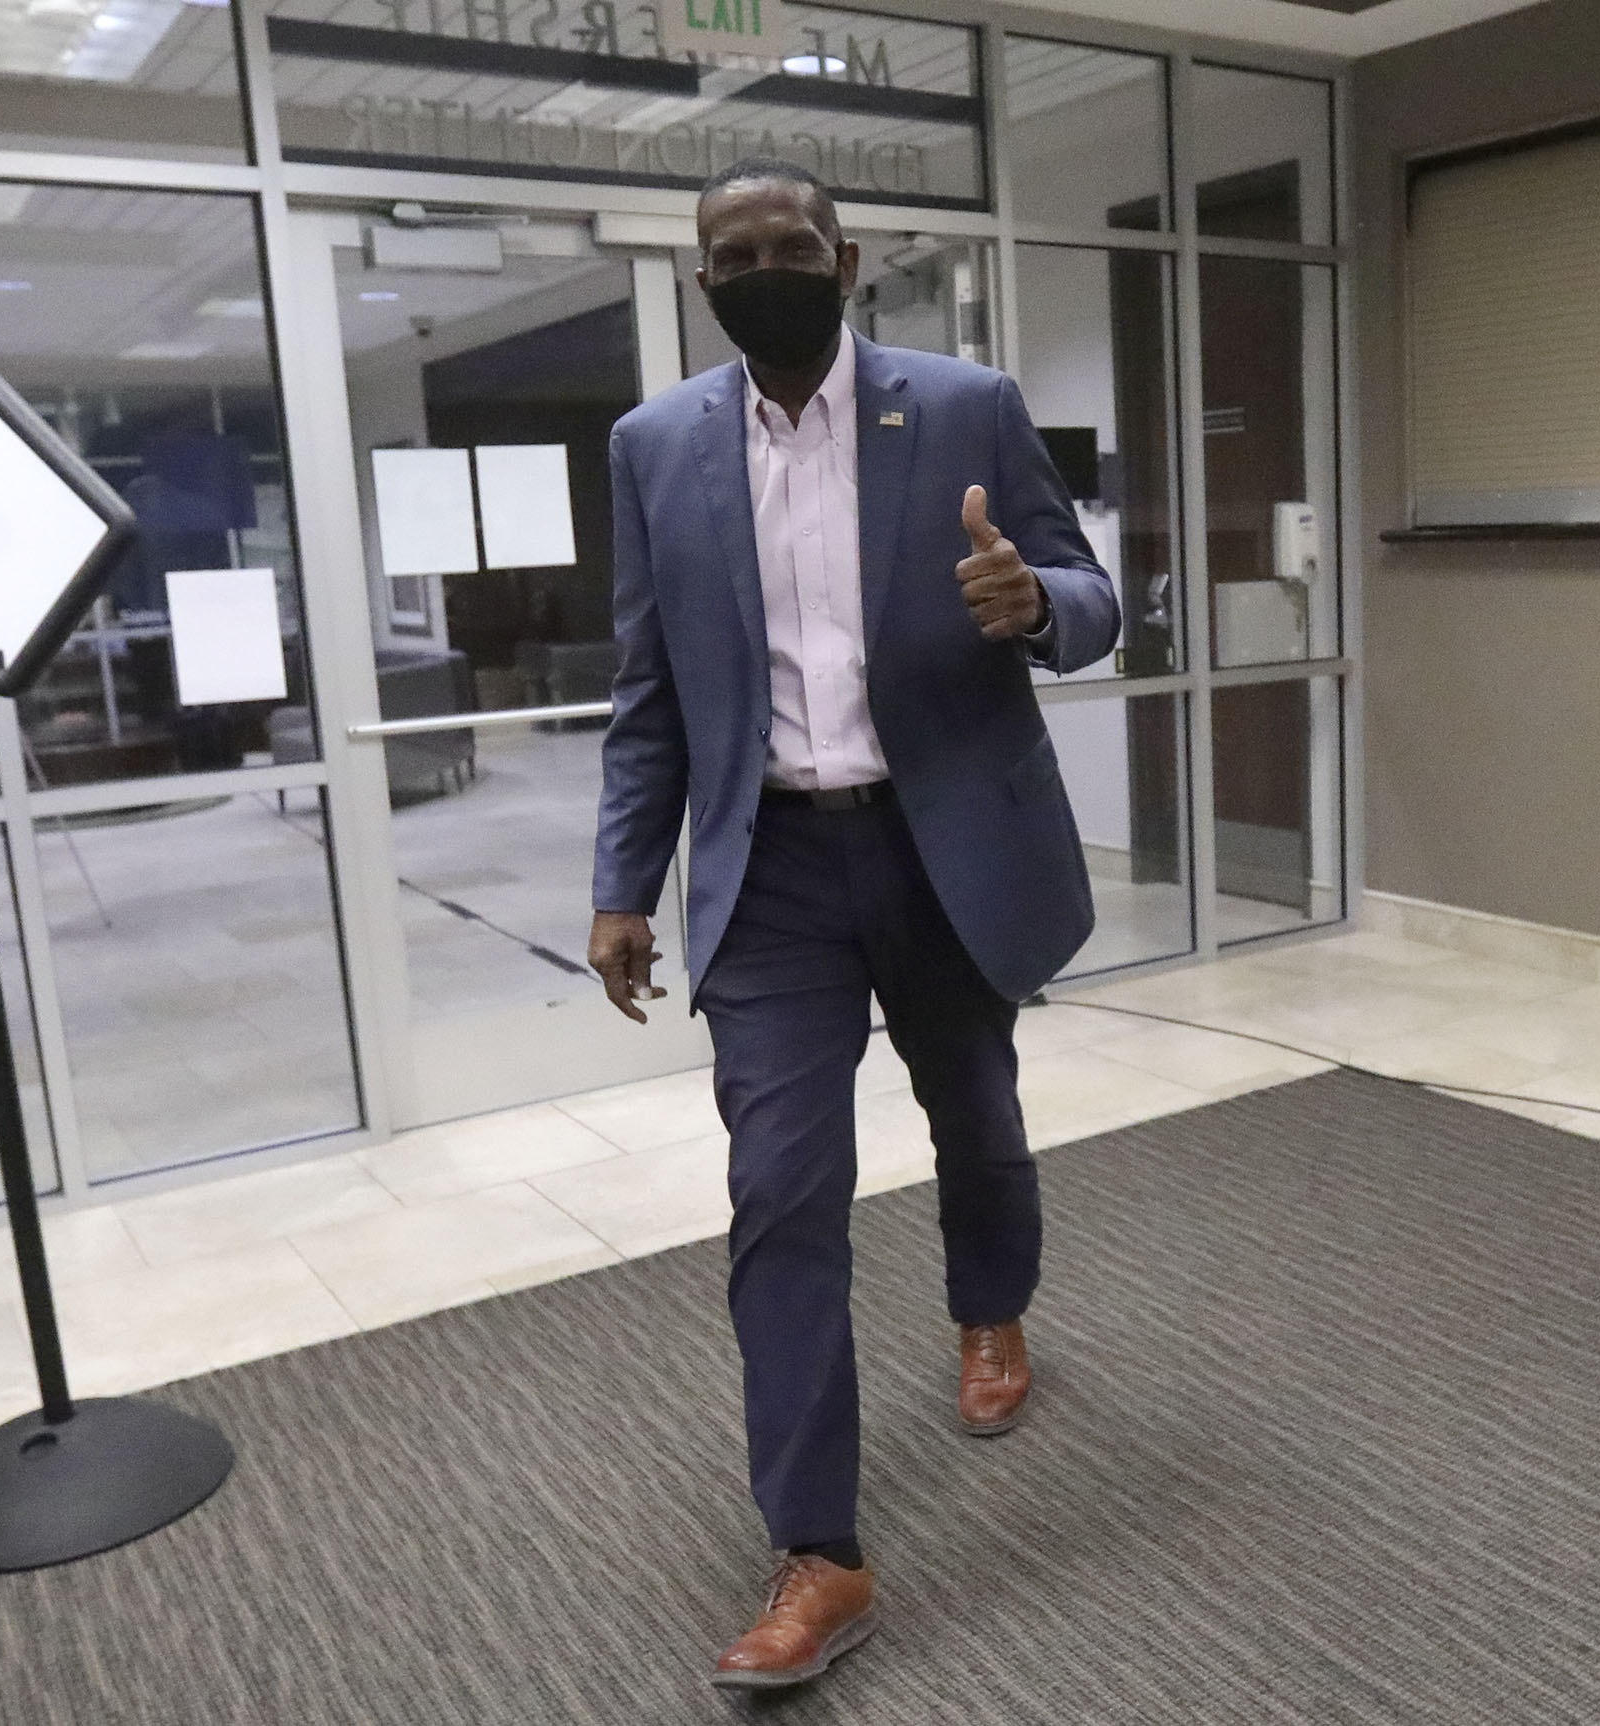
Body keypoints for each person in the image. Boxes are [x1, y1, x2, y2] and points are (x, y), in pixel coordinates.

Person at [586, 157, 1120, 1690]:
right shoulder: (651, 446)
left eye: (792, 243)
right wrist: (627, 879)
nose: (766, 265)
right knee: (781, 1193)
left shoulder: (962, 404)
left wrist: (1038, 606)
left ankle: (990, 1309)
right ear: (704, 280)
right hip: (774, 877)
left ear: (848, 256)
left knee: (977, 1113)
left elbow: (1092, 593)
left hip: (939, 837)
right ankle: (819, 1550)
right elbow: (649, 689)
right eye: (734, 251)